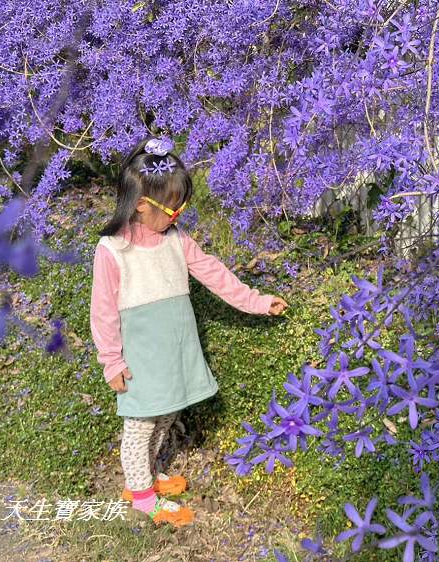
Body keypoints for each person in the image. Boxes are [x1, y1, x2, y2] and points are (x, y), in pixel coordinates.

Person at [89, 136, 288, 527]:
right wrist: (111, 360)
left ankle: (144, 478)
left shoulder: (176, 239)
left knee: (167, 412)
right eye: (173, 207)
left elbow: (214, 273)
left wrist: (257, 301)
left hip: (175, 346)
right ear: (142, 206)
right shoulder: (112, 250)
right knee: (141, 421)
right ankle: (142, 497)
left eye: (182, 204)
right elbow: (103, 312)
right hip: (142, 354)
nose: (179, 213)